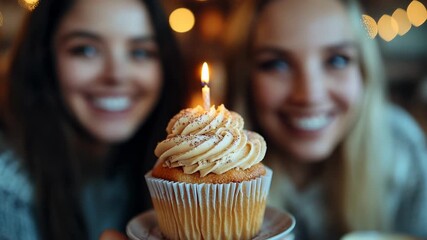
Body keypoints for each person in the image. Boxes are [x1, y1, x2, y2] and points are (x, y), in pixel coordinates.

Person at [224, 0, 427, 239]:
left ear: (364, 71)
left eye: (337, 60)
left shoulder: (402, 147)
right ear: (244, 80)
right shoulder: (206, 181)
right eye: (277, 64)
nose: (310, 95)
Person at [0, 0, 188, 239]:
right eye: (86, 50)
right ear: (44, 59)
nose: (116, 74)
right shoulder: (7, 191)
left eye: (140, 52)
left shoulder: (155, 166)